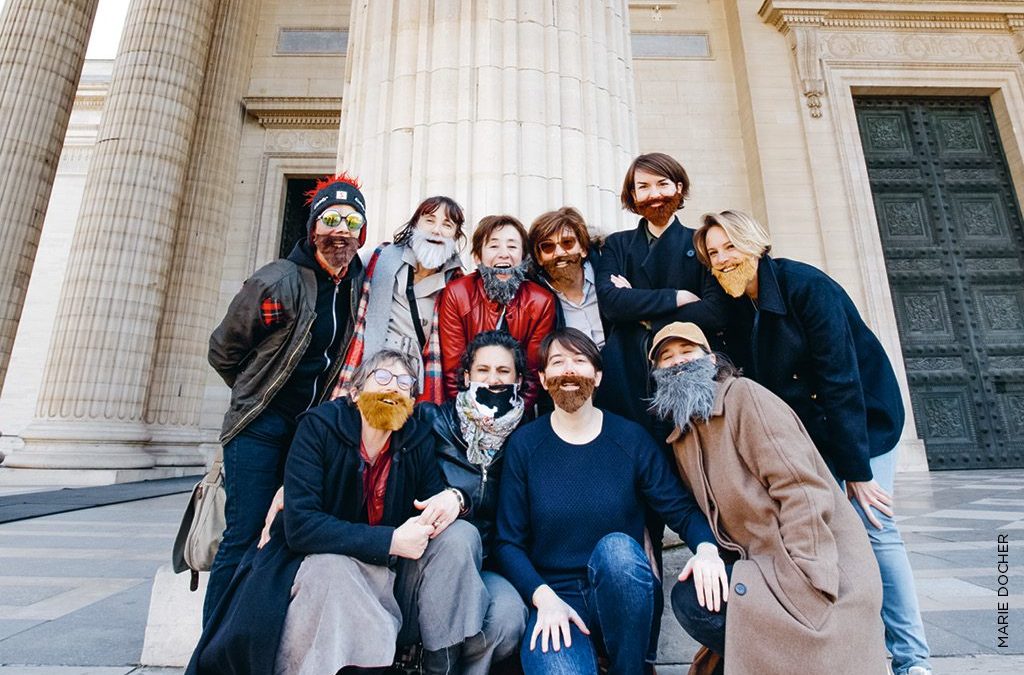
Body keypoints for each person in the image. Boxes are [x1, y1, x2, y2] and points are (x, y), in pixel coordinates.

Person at [693, 210, 932, 675]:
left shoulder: (806, 286)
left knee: (876, 530)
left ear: (756, 244)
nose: (722, 260)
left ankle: (913, 660)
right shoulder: (738, 302)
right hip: (810, 433)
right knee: (830, 534)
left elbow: (841, 380)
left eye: (729, 247)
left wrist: (858, 472)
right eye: (713, 254)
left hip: (864, 421)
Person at [187, 350, 489, 675]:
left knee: (459, 534)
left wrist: (456, 497)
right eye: (383, 378)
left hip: (388, 575)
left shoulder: (414, 439)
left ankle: (436, 666)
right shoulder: (319, 429)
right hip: (315, 567)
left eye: (405, 383)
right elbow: (301, 526)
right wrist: (391, 540)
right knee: (334, 571)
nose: (393, 388)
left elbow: (430, 503)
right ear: (355, 393)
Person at [647, 321, 887, 675]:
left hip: (815, 567)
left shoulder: (744, 397)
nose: (678, 362)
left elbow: (800, 489)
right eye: (666, 357)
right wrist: (708, 554)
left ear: (711, 360)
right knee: (692, 596)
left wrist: (810, 576)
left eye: (687, 352)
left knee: (695, 602)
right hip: (762, 569)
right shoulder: (682, 435)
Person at [494, 327, 726, 675]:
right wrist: (543, 599)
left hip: (623, 597)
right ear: (543, 379)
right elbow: (507, 542)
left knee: (617, 549)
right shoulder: (525, 446)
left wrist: (707, 548)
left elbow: (680, 510)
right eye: (557, 363)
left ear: (598, 376)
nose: (569, 370)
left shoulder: (630, 439)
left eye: (579, 361)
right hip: (558, 601)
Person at [203, 172, 367, 625]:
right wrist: (255, 394)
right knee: (244, 533)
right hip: (260, 427)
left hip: (307, 432)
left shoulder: (353, 284)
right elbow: (224, 350)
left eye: (351, 222)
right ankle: (213, 650)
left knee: (287, 532)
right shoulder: (278, 280)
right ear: (313, 226)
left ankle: (257, 639)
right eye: (330, 219)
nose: (341, 231)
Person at [594, 152, 728, 430]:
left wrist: (645, 316)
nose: (654, 194)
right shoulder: (616, 245)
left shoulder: (702, 242)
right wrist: (676, 296)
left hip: (690, 368)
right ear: (632, 196)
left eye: (662, 184)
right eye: (643, 187)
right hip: (628, 373)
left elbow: (714, 311)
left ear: (679, 188)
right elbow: (612, 304)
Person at [427, 330, 532, 673]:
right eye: (483, 370)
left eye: (504, 371)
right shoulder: (434, 421)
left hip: (491, 563)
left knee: (508, 617)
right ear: (467, 375)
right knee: (462, 535)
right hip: (435, 559)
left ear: (518, 379)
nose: (494, 379)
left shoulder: (528, 435)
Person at [335, 196, 466, 403]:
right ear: (415, 224)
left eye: (447, 225)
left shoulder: (458, 284)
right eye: (429, 220)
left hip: (418, 379)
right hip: (369, 363)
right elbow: (337, 273)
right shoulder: (380, 257)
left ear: (456, 235)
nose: (437, 230)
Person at [438, 214, 557, 412]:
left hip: (516, 409)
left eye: (512, 246)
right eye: (493, 246)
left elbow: (532, 375)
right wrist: (469, 415)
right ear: (477, 257)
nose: (504, 254)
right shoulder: (457, 293)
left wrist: (513, 417)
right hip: (466, 408)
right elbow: (454, 372)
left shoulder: (541, 302)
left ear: (523, 258)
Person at [528, 207, 607, 349]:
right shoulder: (534, 298)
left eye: (567, 242)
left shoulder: (608, 272)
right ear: (539, 257)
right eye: (548, 246)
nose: (559, 253)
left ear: (583, 249)